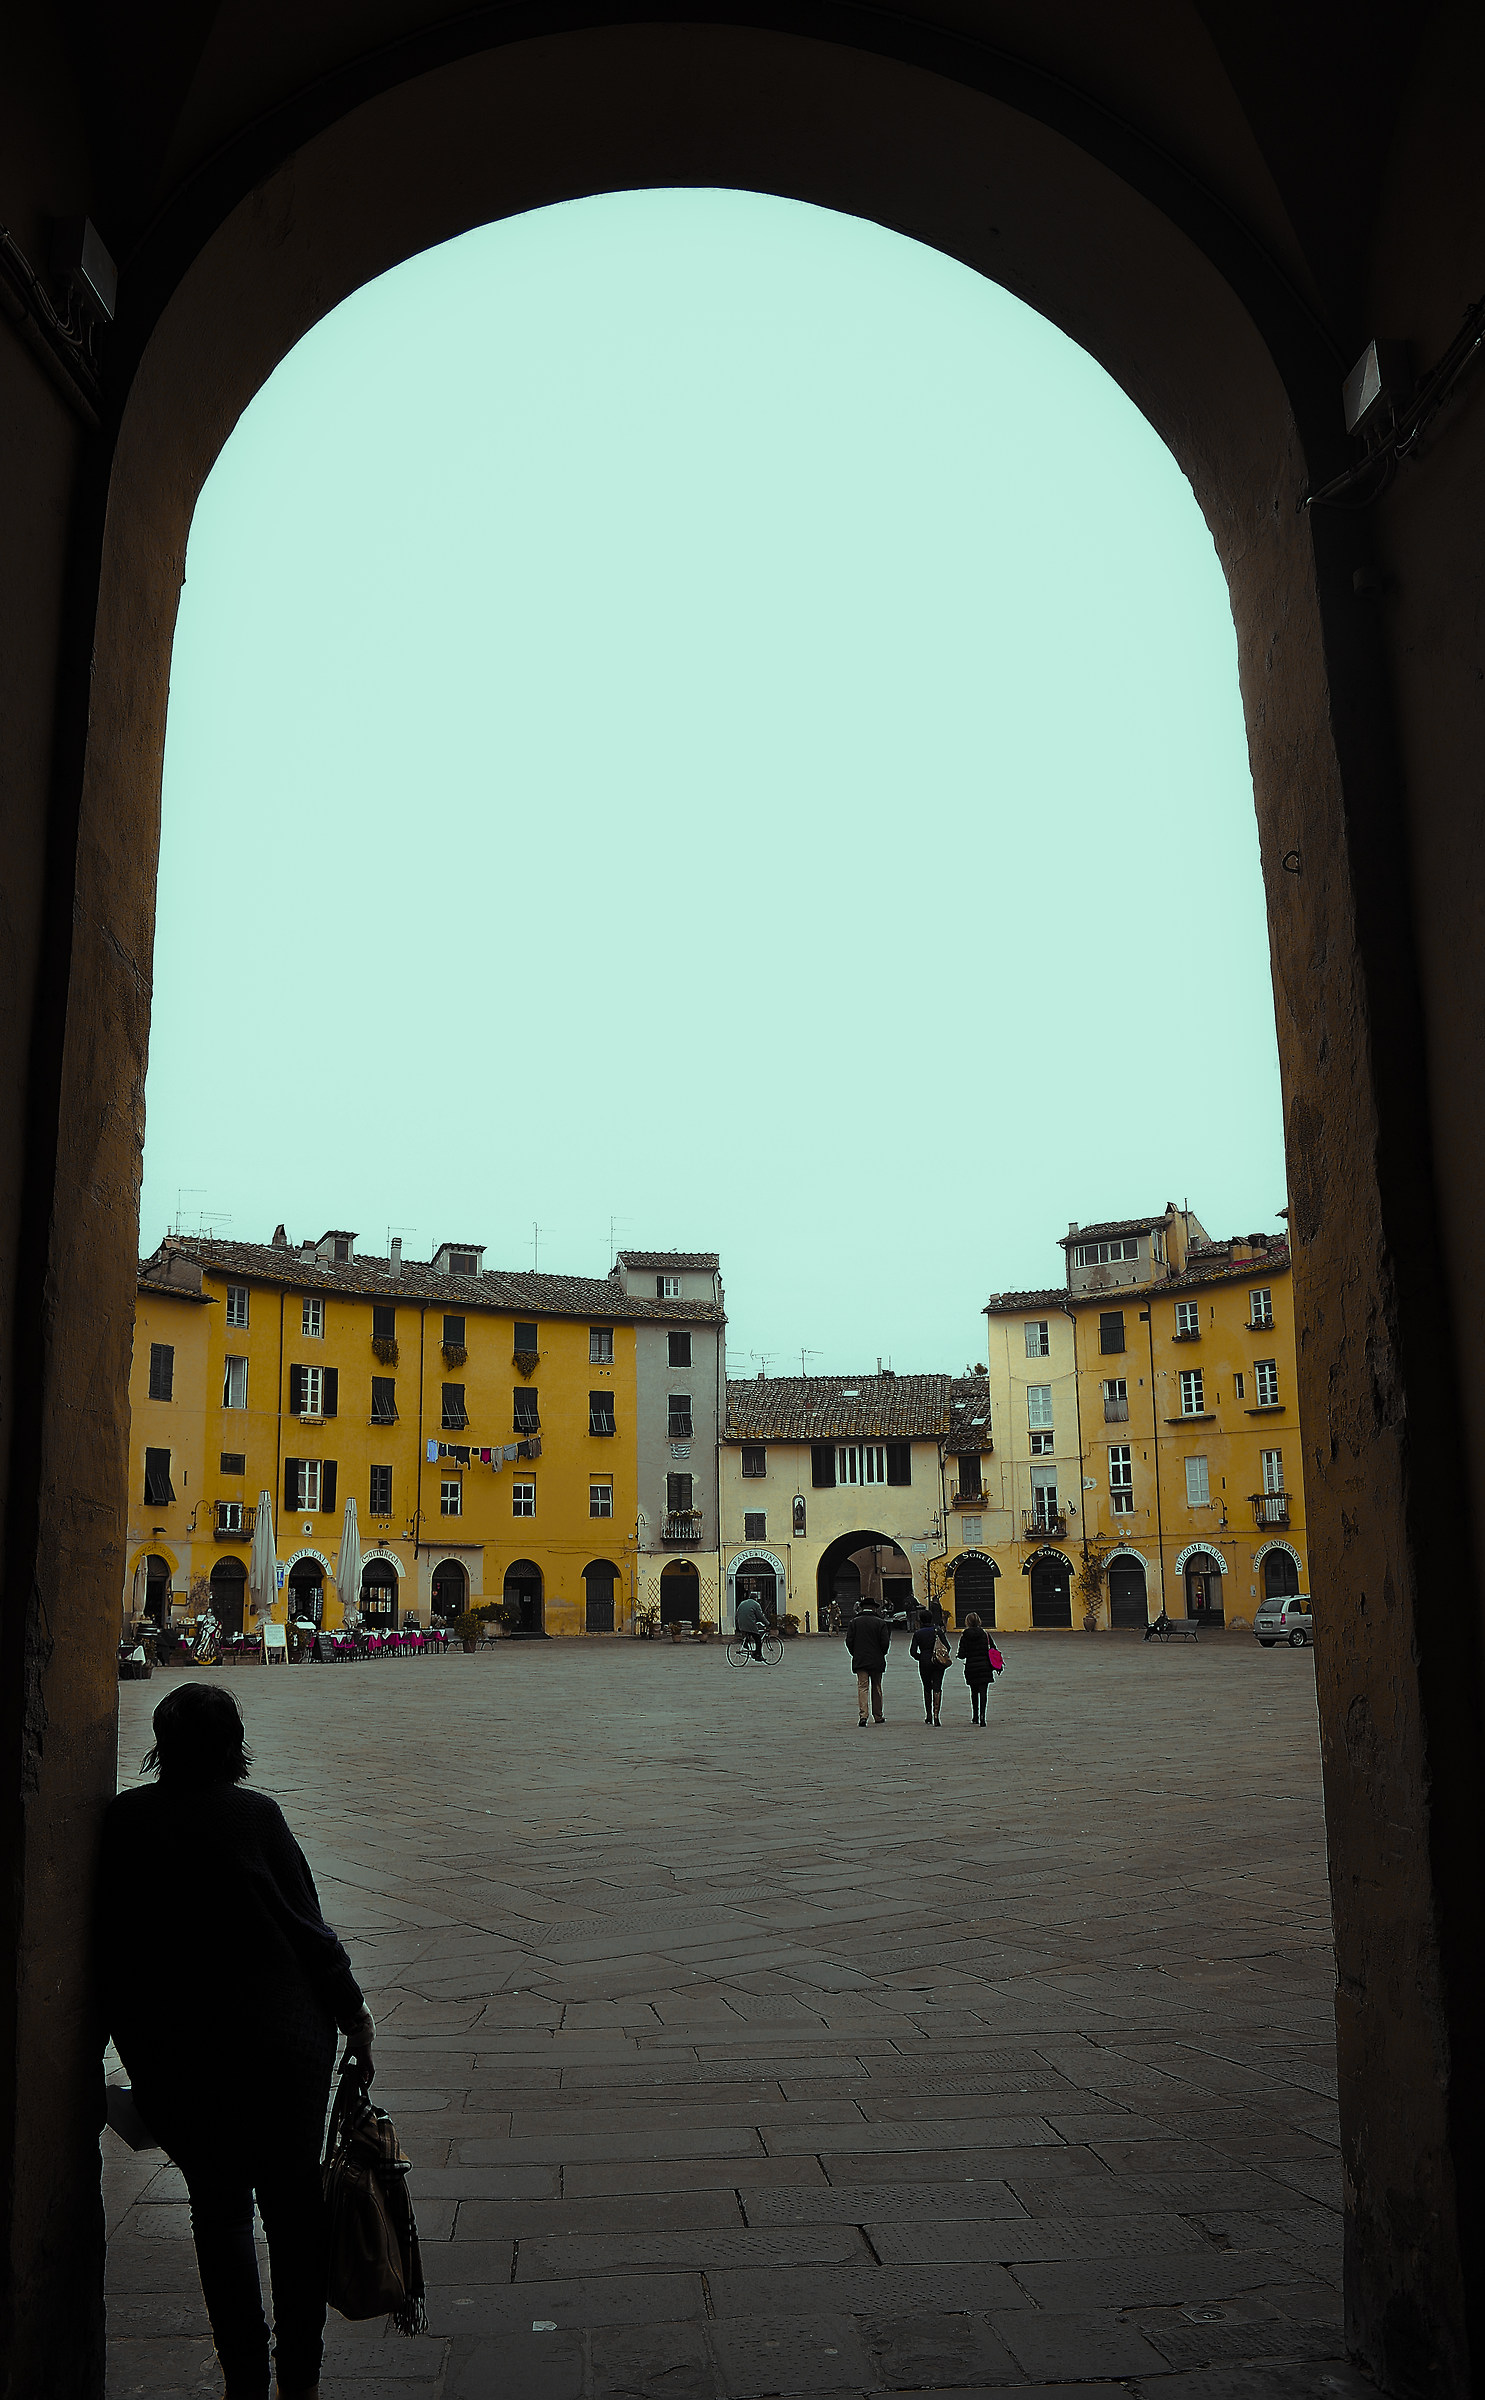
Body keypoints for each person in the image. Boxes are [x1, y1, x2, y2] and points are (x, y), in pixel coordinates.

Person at [96, 1683, 374, 2400]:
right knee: (293, 2212)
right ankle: (300, 2378)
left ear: (162, 1743)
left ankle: (244, 2377)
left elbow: (109, 1942)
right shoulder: (254, 1816)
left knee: (218, 2214)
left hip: (177, 2053)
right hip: (281, 2051)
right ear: (233, 1744)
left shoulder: (127, 1819)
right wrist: (355, 2017)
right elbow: (307, 1929)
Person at [845, 1597, 891, 1726]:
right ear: (874, 1608)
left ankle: (863, 1715)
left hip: (860, 1659)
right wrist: (881, 1653)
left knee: (862, 1687)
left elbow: (849, 1641)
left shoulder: (854, 1622)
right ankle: (878, 1715)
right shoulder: (880, 1622)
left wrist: (855, 1653)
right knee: (877, 1687)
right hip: (876, 1659)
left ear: (861, 1608)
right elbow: (885, 1643)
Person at [909, 1608, 950, 1725]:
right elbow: (947, 1646)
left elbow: (912, 1652)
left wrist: (921, 1657)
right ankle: (936, 1715)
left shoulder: (918, 1633)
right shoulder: (938, 1631)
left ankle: (928, 1715)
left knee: (927, 1687)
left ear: (921, 1620)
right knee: (937, 1686)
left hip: (925, 1662)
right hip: (937, 1662)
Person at [957, 1611, 998, 1726]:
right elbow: (993, 1648)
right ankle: (983, 1717)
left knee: (974, 1692)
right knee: (984, 1692)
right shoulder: (985, 1634)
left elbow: (962, 1654)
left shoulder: (965, 1635)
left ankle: (975, 1716)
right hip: (985, 1666)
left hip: (971, 1666)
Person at [734, 1587, 767, 1660]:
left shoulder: (742, 1603)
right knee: (758, 1639)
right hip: (750, 1624)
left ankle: (746, 1643)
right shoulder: (756, 1604)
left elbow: (737, 1614)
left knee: (747, 1634)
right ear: (756, 1598)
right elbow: (760, 1616)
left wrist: (737, 1625)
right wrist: (767, 1623)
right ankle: (758, 1655)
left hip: (741, 1624)